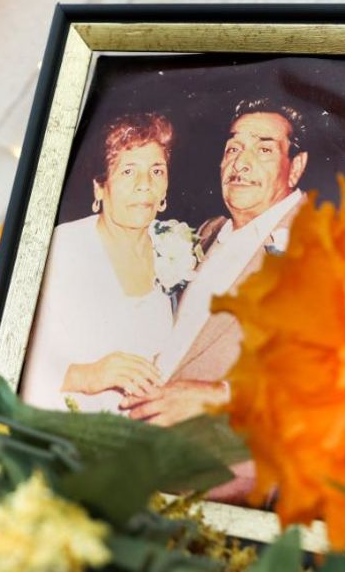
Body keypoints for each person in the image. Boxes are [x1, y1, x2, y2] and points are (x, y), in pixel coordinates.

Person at [122, 98, 309, 426]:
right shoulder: (208, 232)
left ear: (295, 166)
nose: (241, 165)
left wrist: (217, 396)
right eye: (233, 149)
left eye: (263, 150)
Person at [21, 112, 177, 413]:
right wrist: (88, 375)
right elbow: (10, 356)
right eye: (128, 171)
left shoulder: (176, 248)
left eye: (157, 171)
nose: (145, 185)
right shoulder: (58, 249)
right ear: (99, 187)